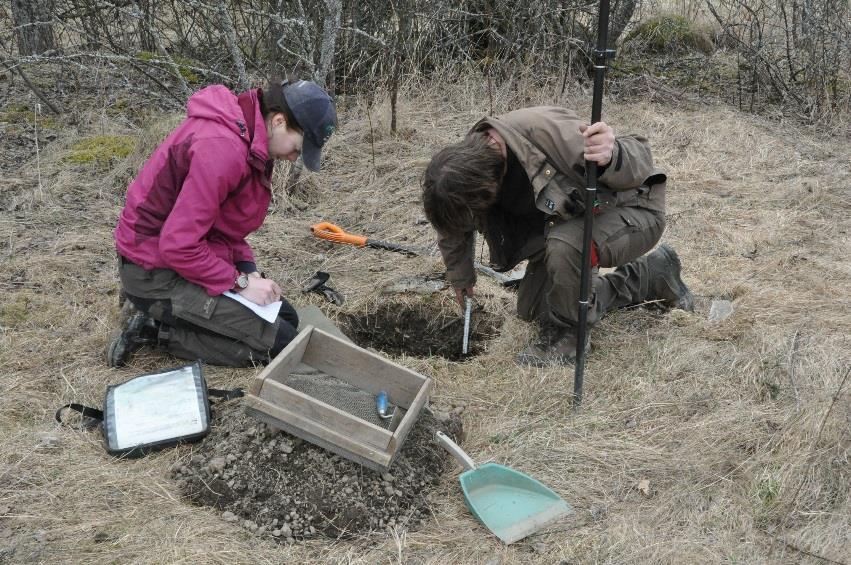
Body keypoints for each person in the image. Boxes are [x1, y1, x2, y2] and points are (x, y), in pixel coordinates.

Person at [422, 106, 693, 367]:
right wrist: (461, 278)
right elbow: (454, 225)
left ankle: (571, 337)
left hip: (631, 208)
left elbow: (642, 156)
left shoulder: (546, 133)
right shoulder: (464, 168)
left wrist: (612, 155)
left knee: (567, 245)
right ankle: (651, 275)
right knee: (535, 310)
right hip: (562, 224)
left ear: (489, 185)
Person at [107, 79, 337, 367]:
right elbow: (178, 246)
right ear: (279, 120)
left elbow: (223, 226)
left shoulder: (251, 140)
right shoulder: (223, 149)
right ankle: (154, 330)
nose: (294, 158)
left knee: (287, 317)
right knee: (281, 344)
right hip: (152, 272)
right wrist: (239, 284)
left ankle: (165, 315)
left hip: (180, 260)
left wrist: (248, 271)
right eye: (298, 147)